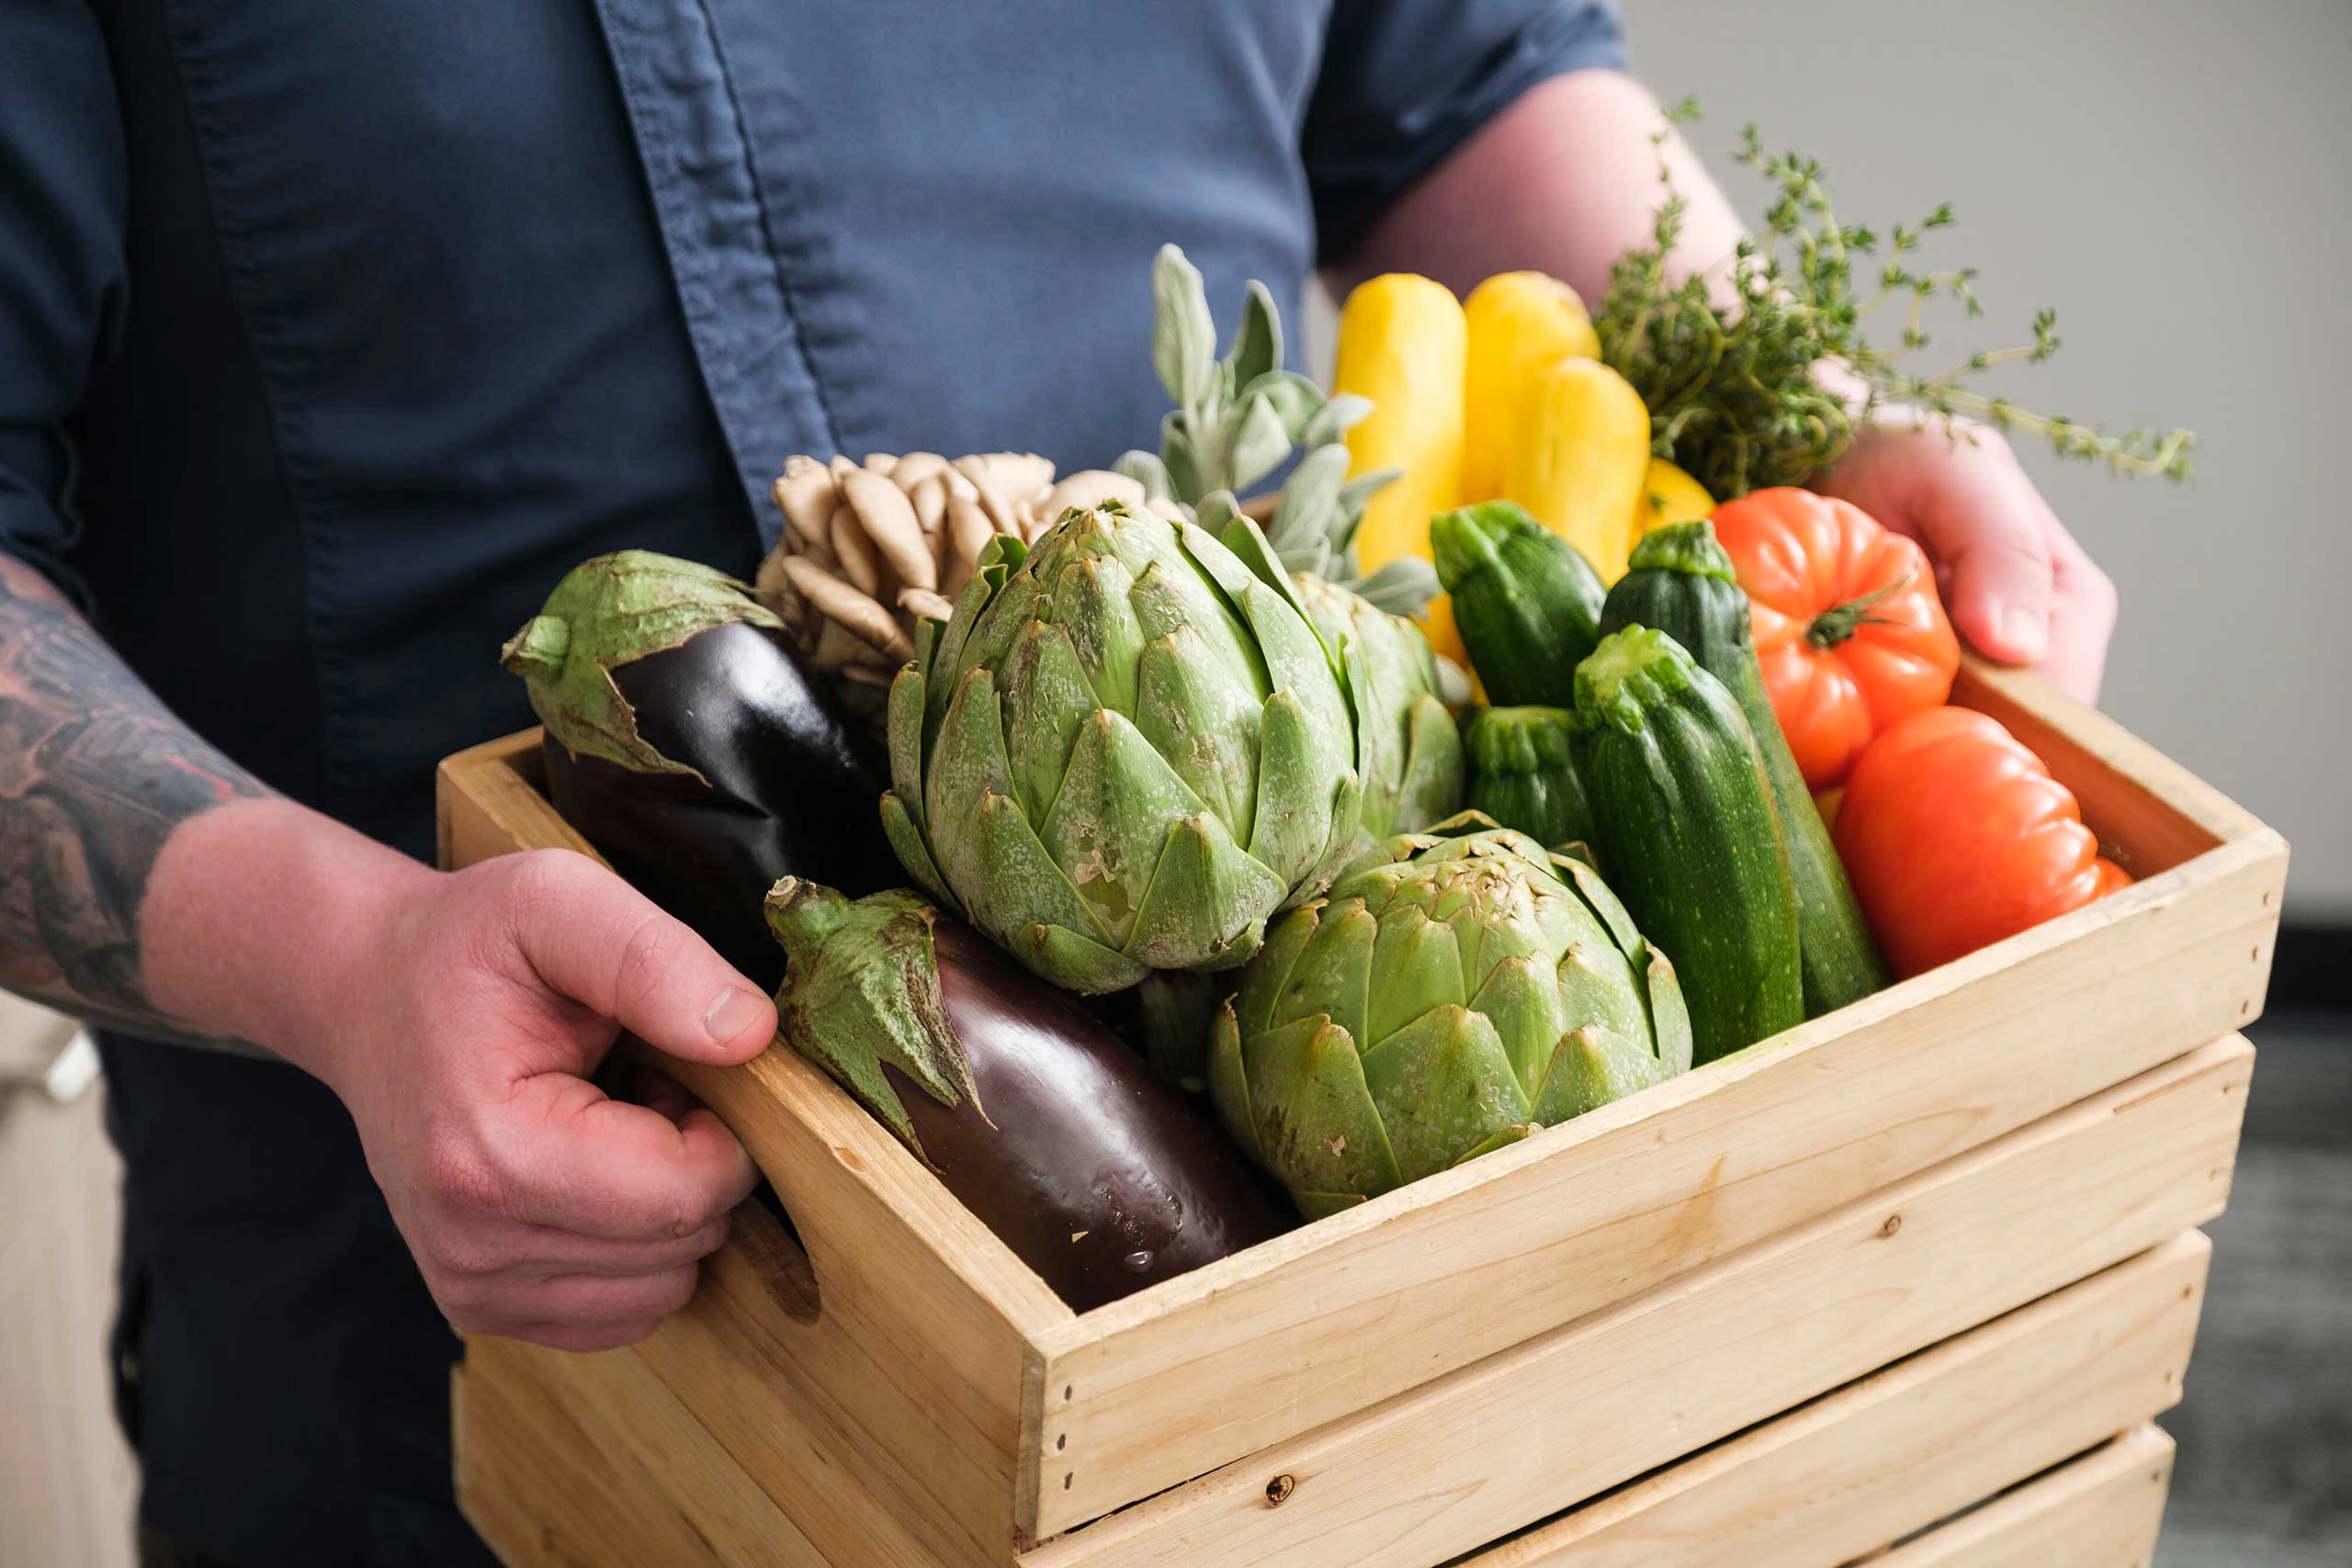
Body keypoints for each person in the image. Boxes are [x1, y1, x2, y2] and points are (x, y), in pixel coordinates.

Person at [0, 3, 2117, 1562]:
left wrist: (1803, 413)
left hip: (1359, 1361)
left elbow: (1462, 80)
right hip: (473, 1310)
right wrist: (351, 956)